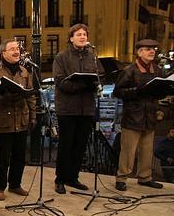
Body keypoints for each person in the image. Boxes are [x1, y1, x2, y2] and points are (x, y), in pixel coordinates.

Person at [52, 23, 103, 194]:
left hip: (86, 108)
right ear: (71, 38)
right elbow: (60, 82)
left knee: (80, 145)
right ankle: (60, 179)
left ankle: (73, 177)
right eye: (79, 34)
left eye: (85, 34)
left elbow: (100, 76)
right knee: (66, 145)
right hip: (67, 109)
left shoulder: (92, 56)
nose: (82, 37)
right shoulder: (62, 57)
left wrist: (94, 83)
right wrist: (83, 84)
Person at [113, 39, 165, 191]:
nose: (152, 51)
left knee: (147, 150)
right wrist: (137, 91)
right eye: (148, 49)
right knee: (128, 151)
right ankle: (122, 177)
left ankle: (145, 177)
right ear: (139, 52)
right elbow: (118, 92)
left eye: (153, 49)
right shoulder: (129, 70)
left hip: (150, 116)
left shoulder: (157, 70)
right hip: (133, 117)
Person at [0, 39, 36, 200]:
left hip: (21, 120)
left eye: (18, 49)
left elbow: (31, 96)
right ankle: (0, 187)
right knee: (3, 158)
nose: (17, 52)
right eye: (12, 49)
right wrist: (1, 94)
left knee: (19, 156)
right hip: (4, 121)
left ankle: (15, 184)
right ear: (3, 53)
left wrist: (33, 116)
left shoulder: (24, 71)